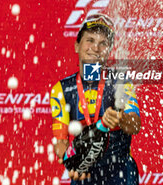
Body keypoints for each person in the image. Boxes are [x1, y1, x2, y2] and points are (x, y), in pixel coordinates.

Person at [50, 13, 141, 185]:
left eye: (103, 43)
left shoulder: (120, 81)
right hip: (84, 173)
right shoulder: (61, 89)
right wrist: (70, 162)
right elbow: (61, 141)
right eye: (90, 40)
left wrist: (119, 118)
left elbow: (135, 125)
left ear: (109, 50)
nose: (96, 48)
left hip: (120, 173)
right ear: (77, 45)